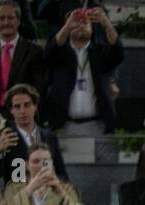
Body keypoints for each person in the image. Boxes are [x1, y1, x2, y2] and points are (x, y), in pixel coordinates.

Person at [42, 4, 122, 136]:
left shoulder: (100, 52)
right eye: (75, 22)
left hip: (99, 126)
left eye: (85, 22)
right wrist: (67, 26)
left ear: (91, 28)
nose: (80, 25)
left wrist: (107, 24)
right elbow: (48, 54)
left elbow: (118, 53)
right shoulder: (60, 54)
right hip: (64, 126)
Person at [0, 1, 45, 118]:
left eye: (11, 18)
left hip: (23, 117)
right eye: (1, 18)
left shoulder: (35, 52)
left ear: (19, 21)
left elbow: (39, 89)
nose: (6, 22)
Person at [0, 84, 66, 182]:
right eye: (17, 106)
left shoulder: (49, 137)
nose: (23, 111)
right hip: (17, 196)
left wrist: (54, 181)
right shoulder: (5, 139)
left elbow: (63, 175)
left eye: (27, 105)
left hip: (46, 195)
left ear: (35, 106)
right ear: (11, 110)